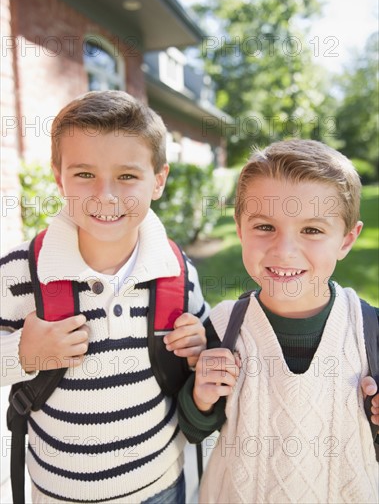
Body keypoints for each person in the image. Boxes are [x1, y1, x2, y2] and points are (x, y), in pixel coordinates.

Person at [0, 90, 209, 503]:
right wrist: (20, 355)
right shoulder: (18, 272)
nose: (106, 195)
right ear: (59, 177)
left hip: (160, 487)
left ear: (159, 181)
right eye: (84, 175)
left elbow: (201, 356)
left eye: (127, 176)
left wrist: (198, 349)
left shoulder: (178, 272)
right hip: (60, 493)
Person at [177, 139, 379, 503]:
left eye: (312, 230)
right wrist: (202, 396)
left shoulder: (370, 330)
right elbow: (195, 427)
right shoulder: (224, 327)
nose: (284, 250)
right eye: (265, 227)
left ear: (347, 240)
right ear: (239, 228)